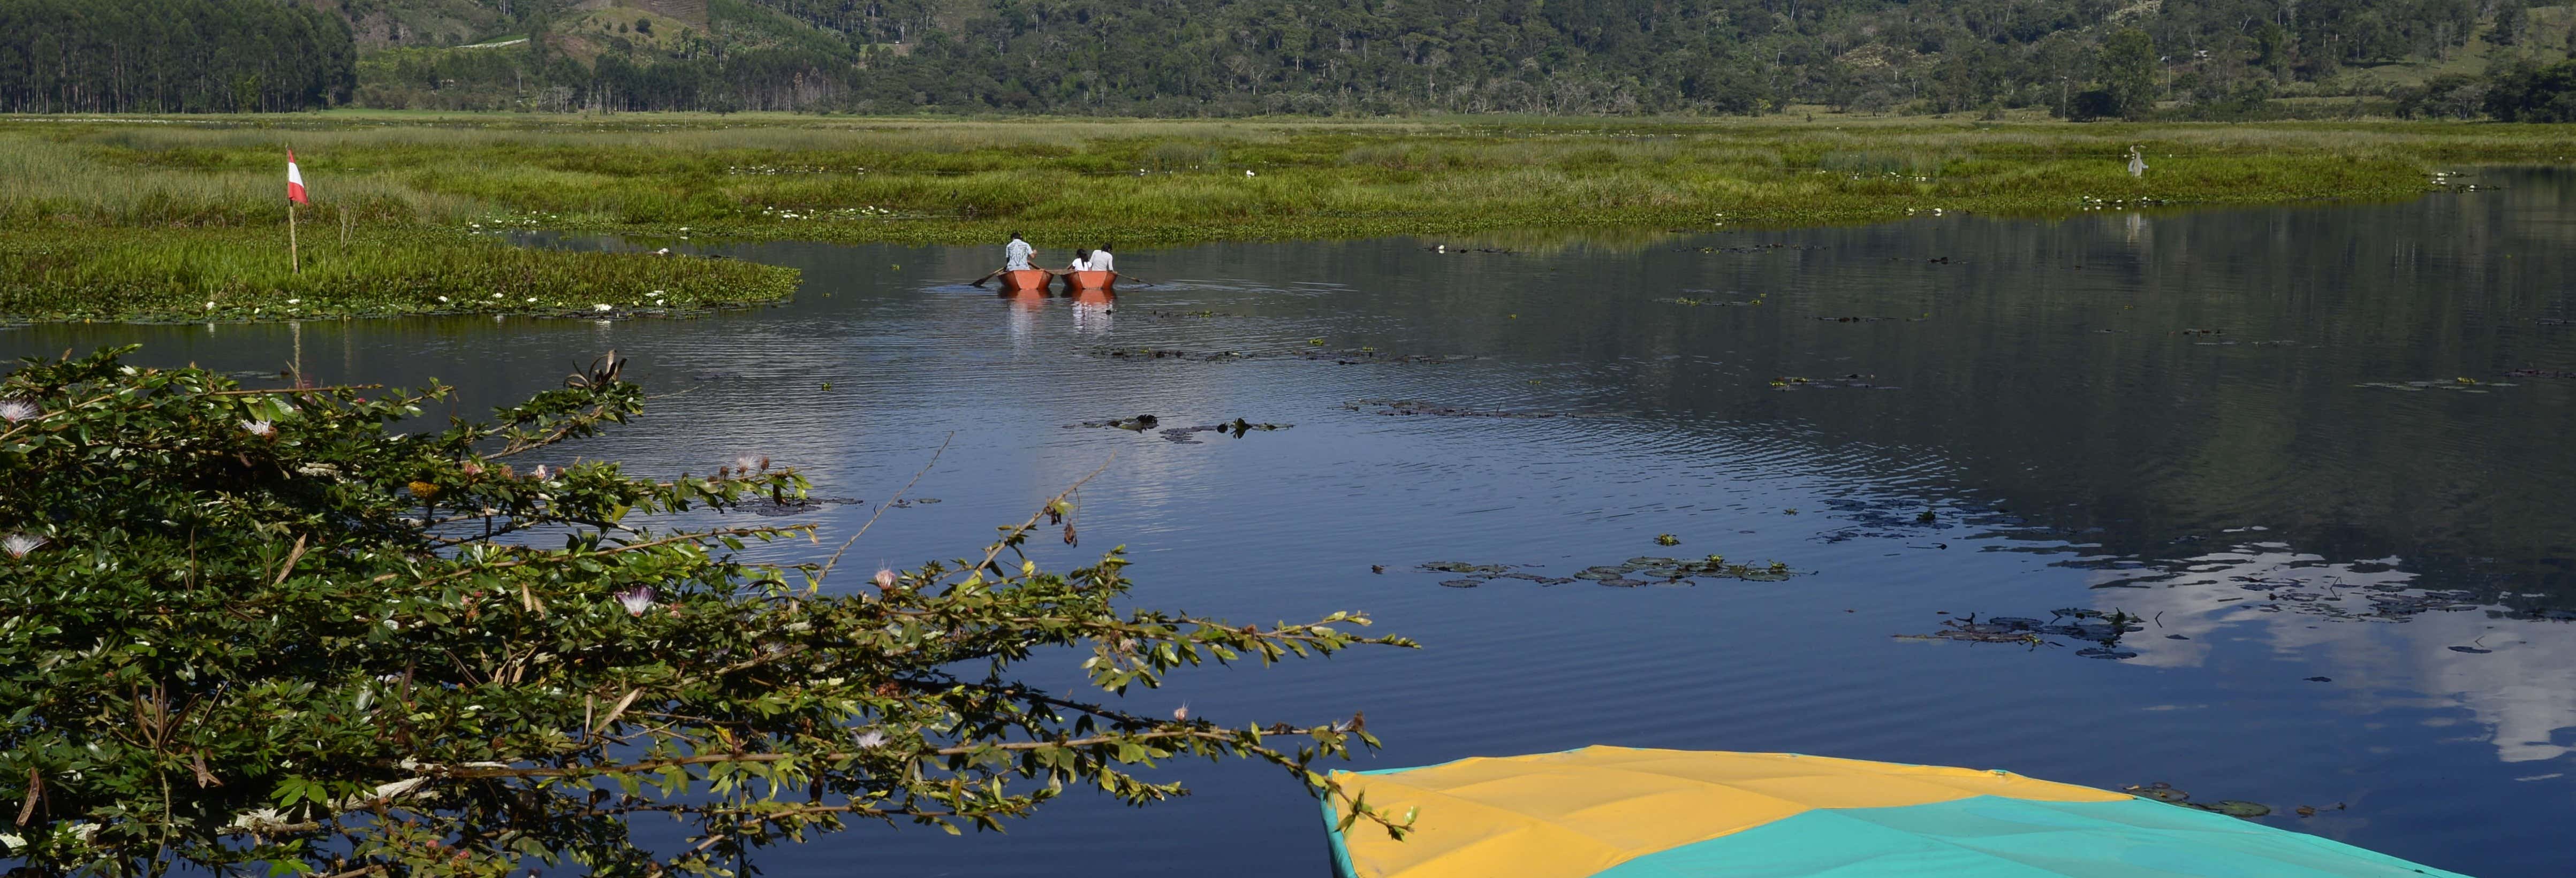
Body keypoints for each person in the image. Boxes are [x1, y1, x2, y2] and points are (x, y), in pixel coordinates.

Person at [972, 232, 1037, 287]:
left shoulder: (1009, 246)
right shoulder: (1026, 245)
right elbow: (1033, 257)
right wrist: (1034, 252)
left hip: (1012, 269)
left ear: (1013, 238)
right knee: (1031, 268)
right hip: (1024, 269)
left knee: (1007, 270)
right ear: (1021, 239)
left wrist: (1006, 268)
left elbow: (1008, 260)